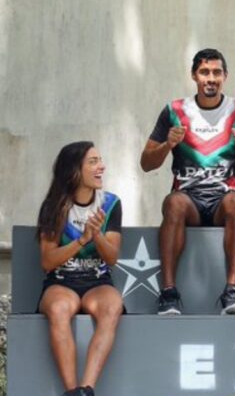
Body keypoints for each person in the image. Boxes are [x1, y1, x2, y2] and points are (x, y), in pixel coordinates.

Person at [140, 48, 235, 315]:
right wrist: (167, 145)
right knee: (173, 203)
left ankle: (232, 291)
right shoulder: (174, 110)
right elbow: (146, 163)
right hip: (188, 201)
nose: (211, 78)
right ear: (194, 76)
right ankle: (168, 292)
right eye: (204, 72)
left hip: (223, 201)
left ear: (225, 76)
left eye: (217, 72)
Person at [37, 142, 124, 396]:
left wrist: (97, 236)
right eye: (93, 162)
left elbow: (112, 258)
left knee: (112, 306)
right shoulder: (54, 205)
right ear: (74, 170)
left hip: (97, 281)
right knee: (59, 308)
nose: (101, 167)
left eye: (100, 160)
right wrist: (82, 240)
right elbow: (47, 261)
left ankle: (86, 389)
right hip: (60, 281)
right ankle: (71, 391)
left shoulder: (110, 203)